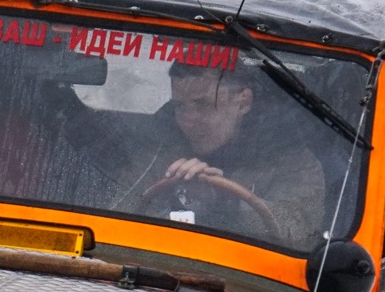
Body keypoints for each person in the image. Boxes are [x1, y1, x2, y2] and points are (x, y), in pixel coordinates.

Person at [127, 61, 328, 246]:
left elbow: (297, 233)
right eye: (180, 106)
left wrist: (225, 199)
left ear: (243, 103)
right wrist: (171, 196)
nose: (188, 121)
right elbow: (120, 213)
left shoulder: (295, 163)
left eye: (203, 105)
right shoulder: (159, 153)